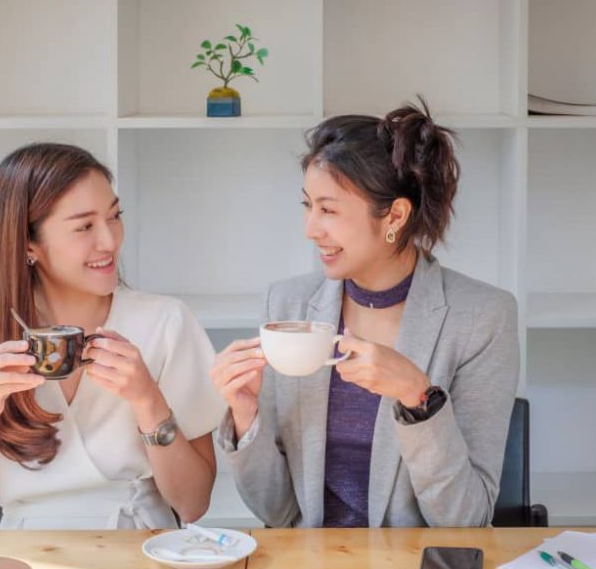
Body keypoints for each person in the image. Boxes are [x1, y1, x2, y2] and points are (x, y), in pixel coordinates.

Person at [210, 98, 519, 528]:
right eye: (308, 205)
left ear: (394, 215)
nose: (310, 229)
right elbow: (277, 514)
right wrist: (246, 416)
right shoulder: (287, 307)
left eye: (329, 210)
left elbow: (466, 521)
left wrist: (418, 397)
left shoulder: (483, 317)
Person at [0, 143, 225, 530]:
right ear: (28, 244)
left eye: (114, 216)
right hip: (20, 561)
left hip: (141, 548)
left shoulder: (166, 322)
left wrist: (147, 400)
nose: (110, 241)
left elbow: (193, 505)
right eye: (84, 226)